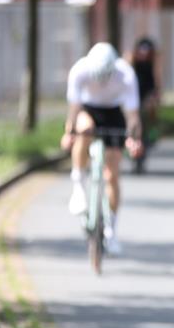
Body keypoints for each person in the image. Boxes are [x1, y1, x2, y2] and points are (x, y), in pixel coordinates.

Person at [61, 42, 144, 255]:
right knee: (85, 129)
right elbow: (74, 110)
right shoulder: (79, 71)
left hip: (114, 112)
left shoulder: (125, 75)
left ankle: (111, 232)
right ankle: (78, 185)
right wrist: (69, 134)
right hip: (89, 109)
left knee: (112, 175)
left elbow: (132, 116)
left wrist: (134, 138)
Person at [128, 37, 160, 174]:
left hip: (144, 100)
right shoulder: (131, 64)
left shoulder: (150, 65)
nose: (144, 55)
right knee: (132, 127)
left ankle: (143, 152)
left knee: (145, 124)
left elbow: (154, 85)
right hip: (131, 99)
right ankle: (132, 150)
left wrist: (154, 99)